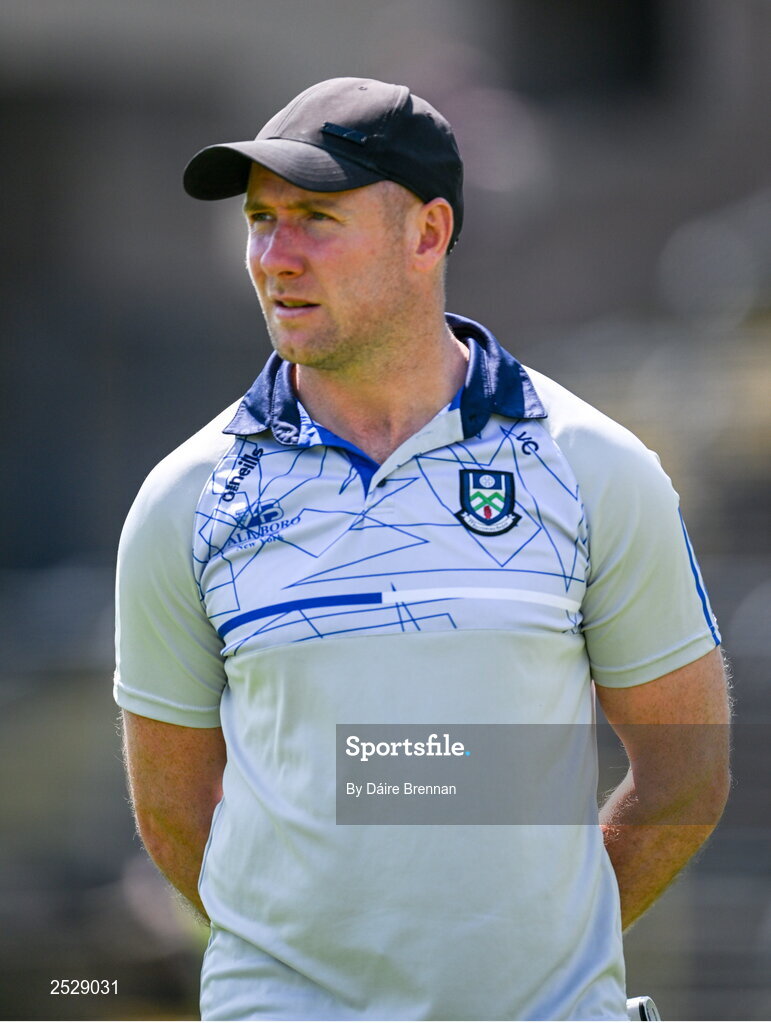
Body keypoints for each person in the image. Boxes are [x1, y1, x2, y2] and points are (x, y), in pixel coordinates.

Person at [115, 77, 730, 1022]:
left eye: (314, 217)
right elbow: (171, 811)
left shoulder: (595, 466)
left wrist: (544, 955)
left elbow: (685, 767)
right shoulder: (183, 499)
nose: (274, 257)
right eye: (259, 220)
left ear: (428, 235)